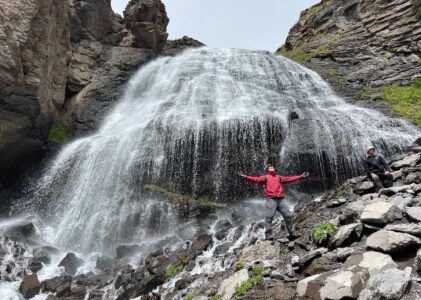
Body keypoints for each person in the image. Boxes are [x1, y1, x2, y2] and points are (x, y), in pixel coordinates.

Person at [238, 164, 309, 240]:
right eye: (269, 167)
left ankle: (291, 233)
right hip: (271, 199)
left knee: (287, 215)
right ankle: (268, 235)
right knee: (269, 217)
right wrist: (245, 177)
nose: (271, 168)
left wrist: (301, 176)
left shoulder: (279, 177)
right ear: (267, 170)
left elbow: (289, 178)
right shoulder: (265, 177)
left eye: (272, 167)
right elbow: (255, 179)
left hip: (280, 199)